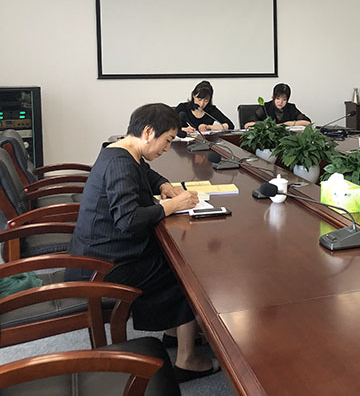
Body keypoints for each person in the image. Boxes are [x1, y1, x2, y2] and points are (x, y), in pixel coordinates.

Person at [65, 103, 220, 382]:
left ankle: (173, 331)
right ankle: (187, 360)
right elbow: (128, 220)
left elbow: (146, 173)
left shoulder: (120, 149)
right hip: (102, 266)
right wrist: (171, 205)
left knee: (172, 257)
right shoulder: (120, 164)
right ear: (149, 132)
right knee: (186, 271)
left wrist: (164, 186)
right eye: (167, 140)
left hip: (98, 253)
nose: (167, 148)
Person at [243, 83, 311, 128]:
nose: (280, 102)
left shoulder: (291, 108)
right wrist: (265, 126)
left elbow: (307, 122)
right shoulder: (265, 107)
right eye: (278, 98)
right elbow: (247, 125)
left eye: (284, 99)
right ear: (273, 97)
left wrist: (285, 124)